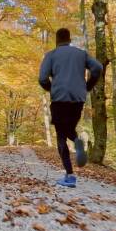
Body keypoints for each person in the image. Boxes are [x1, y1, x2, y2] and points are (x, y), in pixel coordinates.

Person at [39, 28, 103, 188]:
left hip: (60, 98)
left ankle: (70, 175)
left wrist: (51, 88)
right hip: (78, 98)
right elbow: (98, 68)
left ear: (57, 40)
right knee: (69, 128)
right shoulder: (81, 54)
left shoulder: (51, 55)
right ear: (69, 39)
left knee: (61, 135)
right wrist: (88, 85)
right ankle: (76, 141)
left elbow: (42, 78)